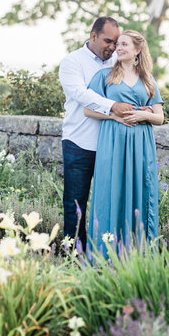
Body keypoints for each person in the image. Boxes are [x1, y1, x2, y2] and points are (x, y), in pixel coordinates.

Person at [84, 30, 164, 256]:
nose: (118, 48)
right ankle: (105, 255)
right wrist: (114, 115)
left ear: (137, 50)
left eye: (124, 44)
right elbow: (88, 109)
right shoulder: (105, 76)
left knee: (140, 189)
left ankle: (139, 255)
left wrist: (143, 116)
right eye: (118, 44)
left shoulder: (148, 79)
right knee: (110, 190)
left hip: (140, 144)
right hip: (112, 142)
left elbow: (160, 117)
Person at [58, 17, 135, 250]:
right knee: (75, 203)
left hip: (110, 143)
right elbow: (81, 94)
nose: (113, 47)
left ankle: (104, 253)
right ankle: (72, 254)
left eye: (116, 42)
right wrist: (112, 106)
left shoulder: (116, 62)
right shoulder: (72, 62)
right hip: (78, 142)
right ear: (93, 36)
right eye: (108, 41)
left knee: (108, 202)